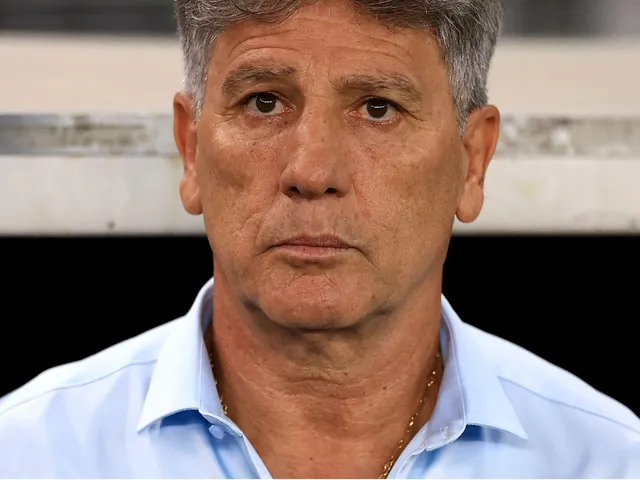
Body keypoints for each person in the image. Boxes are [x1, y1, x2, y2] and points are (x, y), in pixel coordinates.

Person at [1, 0, 639, 478]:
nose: (311, 171)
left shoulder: (606, 461)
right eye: (264, 102)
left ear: (472, 163)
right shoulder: (32, 454)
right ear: (191, 150)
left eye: (378, 108)